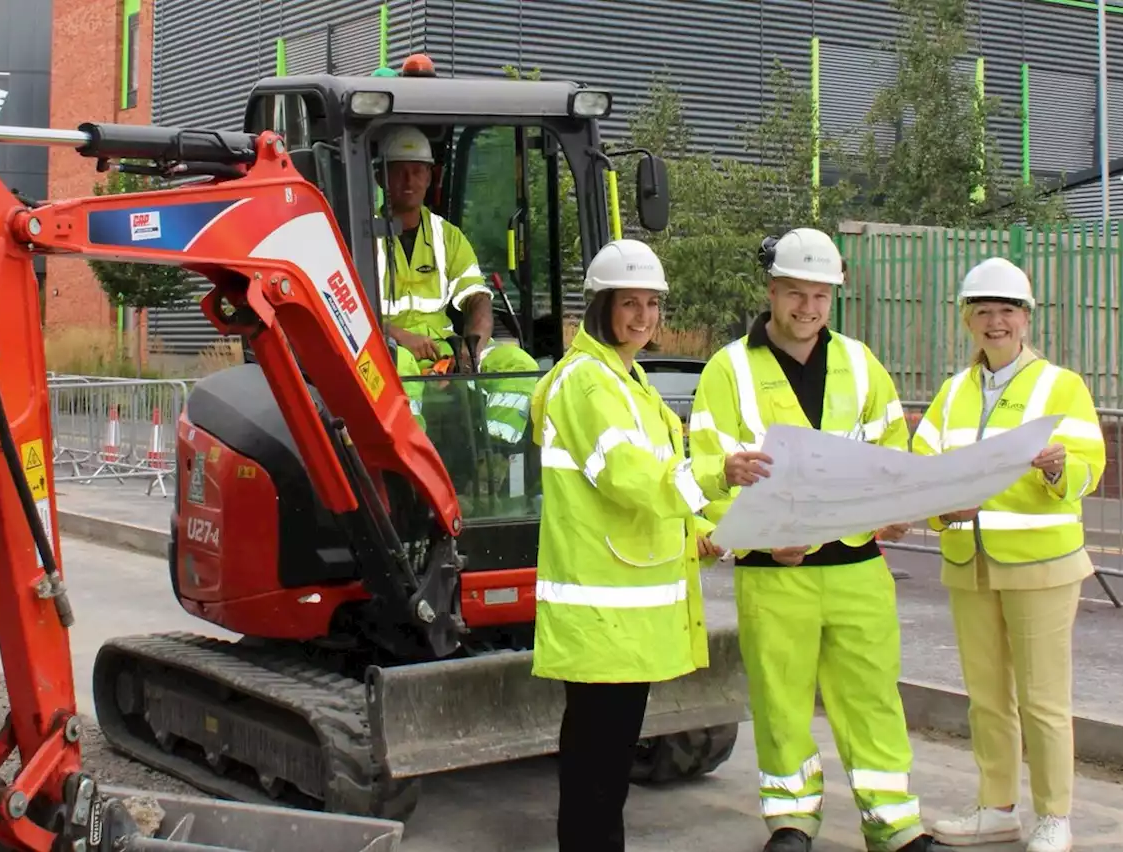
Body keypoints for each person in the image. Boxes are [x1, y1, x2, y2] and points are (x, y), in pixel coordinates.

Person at [688, 228, 947, 852]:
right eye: (796, 293)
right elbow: (705, 469)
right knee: (780, 703)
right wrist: (752, 539)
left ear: (835, 296)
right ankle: (791, 821)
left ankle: (895, 827)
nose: (808, 308)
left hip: (858, 567)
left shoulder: (862, 365)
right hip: (774, 574)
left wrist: (898, 508)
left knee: (873, 699)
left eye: (821, 296)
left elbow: (892, 453)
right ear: (771, 292)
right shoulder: (729, 370)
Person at [528, 238, 722, 852]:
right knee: (595, 773)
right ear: (601, 307)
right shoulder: (587, 384)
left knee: (605, 771)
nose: (642, 316)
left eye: (651, 304)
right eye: (628, 303)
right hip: (602, 616)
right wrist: (718, 478)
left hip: (624, 619)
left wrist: (699, 530)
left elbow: (656, 480)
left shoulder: (627, 379)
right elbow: (631, 476)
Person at [911, 258, 1105, 852]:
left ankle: (1055, 817)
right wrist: (944, 508)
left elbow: (1089, 468)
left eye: (1007, 311)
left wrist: (1058, 467)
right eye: (983, 311)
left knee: (1044, 699)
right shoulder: (952, 393)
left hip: (1041, 565)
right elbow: (925, 473)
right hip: (970, 562)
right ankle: (997, 807)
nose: (995, 322)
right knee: (987, 696)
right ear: (967, 320)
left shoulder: (1060, 385)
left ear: (1026, 320)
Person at [374, 124, 539, 445]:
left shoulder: (446, 235)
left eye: (417, 171)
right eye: (398, 172)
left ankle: (495, 458)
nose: (409, 181)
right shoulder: (359, 235)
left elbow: (477, 297)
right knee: (400, 370)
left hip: (443, 347)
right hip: (386, 346)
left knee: (519, 366)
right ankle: (412, 466)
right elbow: (346, 310)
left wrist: (473, 345)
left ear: (429, 177)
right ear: (381, 178)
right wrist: (400, 335)